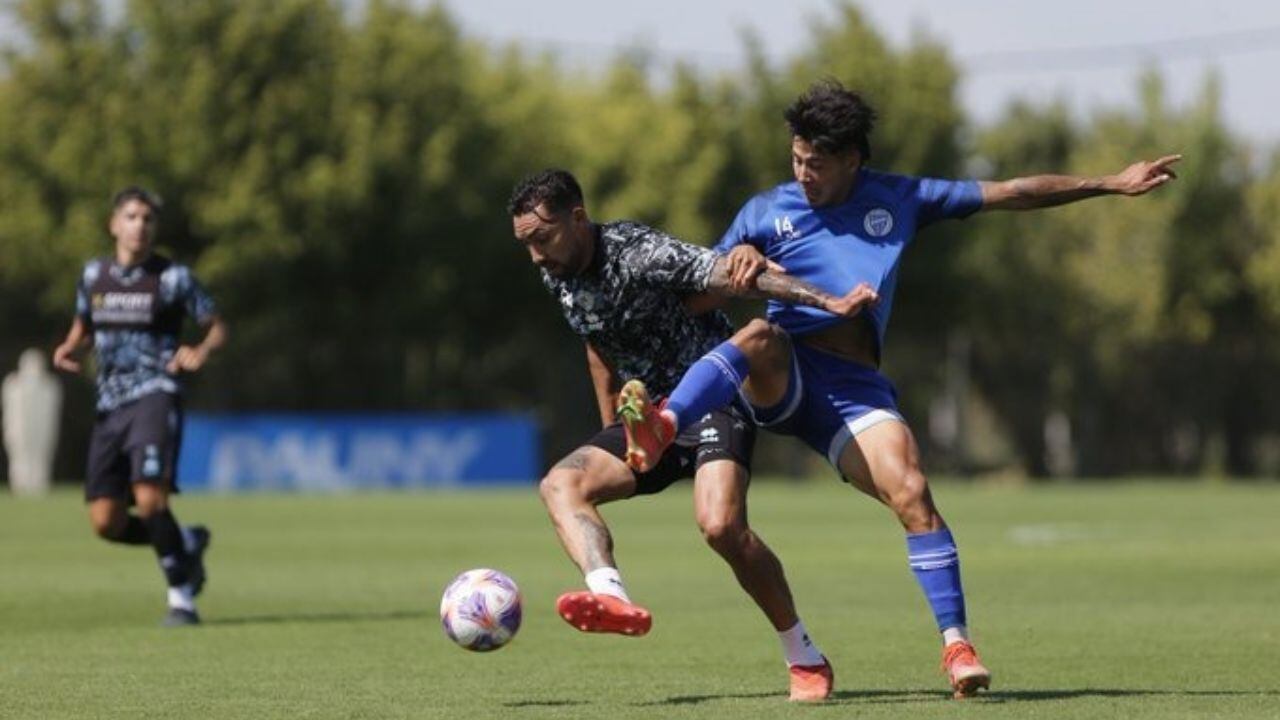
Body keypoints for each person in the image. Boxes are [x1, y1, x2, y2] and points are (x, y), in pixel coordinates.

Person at [619, 80, 1181, 698]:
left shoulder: (902, 197)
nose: (805, 173)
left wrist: (1109, 182)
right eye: (797, 159)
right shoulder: (763, 210)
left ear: (855, 159)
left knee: (912, 490)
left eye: (819, 163)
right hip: (781, 373)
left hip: (853, 391)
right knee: (760, 335)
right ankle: (666, 425)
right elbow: (697, 296)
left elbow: (1011, 193)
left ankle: (957, 648)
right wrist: (737, 273)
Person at [509, 168, 877, 701]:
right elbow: (595, 341)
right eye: (526, 244)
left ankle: (804, 655)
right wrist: (611, 422)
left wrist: (830, 302)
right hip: (643, 417)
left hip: (713, 401)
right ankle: (609, 595)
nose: (536, 256)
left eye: (542, 239)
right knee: (559, 485)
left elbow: (738, 276)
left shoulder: (640, 253)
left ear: (578, 218)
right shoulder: (558, 272)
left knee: (721, 527)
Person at [52, 186, 227, 627]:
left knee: (150, 499)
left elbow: (216, 326)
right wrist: (70, 347)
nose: (140, 225)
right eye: (131, 217)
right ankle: (184, 540)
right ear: (114, 224)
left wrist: (201, 351)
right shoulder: (94, 276)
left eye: (147, 219)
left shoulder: (173, 278)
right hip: (110, 406)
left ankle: (181, 599)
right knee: (106, 523)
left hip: (155, 393)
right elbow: (83, 325)